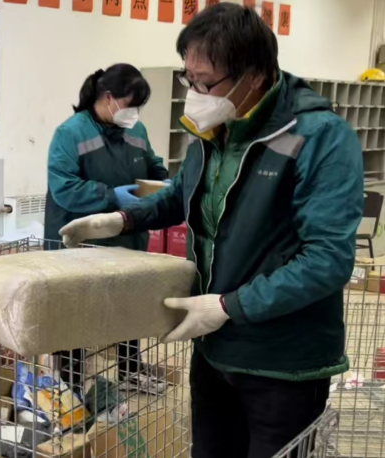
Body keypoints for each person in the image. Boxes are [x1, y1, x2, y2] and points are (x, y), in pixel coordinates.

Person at [59, 4, 363, 458]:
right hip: (214, 351)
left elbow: (327, 261)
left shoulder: (320, 138)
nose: (195, 94)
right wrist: (123, 219)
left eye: (205, 82)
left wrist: (228, 306)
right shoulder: (214, 129)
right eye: (189, 79)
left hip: (281, 363)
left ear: (254, 76)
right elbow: (180, 195)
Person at [44, 63, 169, 394]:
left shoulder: (136, 130)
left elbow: (151, 163)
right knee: (75, 309)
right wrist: (111, 195)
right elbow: (64, 188)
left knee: (129, 302)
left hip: (126, 234)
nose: (134, 113)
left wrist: (163, 179)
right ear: (109, 97)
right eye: (130, 104)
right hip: (80, 239)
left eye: (139, 106)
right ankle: (70, 385)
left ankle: (130, 371)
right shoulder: (71, 133)